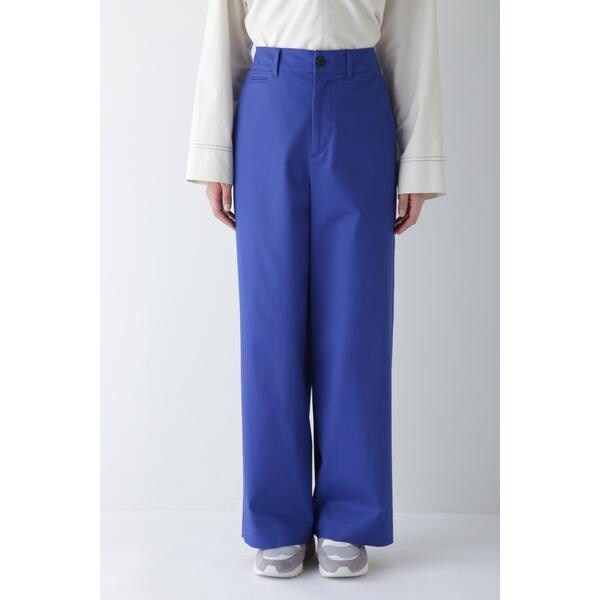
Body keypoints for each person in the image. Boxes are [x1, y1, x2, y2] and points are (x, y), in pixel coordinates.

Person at [186, 0, 446, 578]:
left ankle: (348, 516)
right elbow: (224, 33)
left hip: (360, 102)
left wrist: (419, 162)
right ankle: (276, 519)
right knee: (270, 323)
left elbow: (411, 39)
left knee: (356, 321)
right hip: (270, 99)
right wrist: (213, 155)